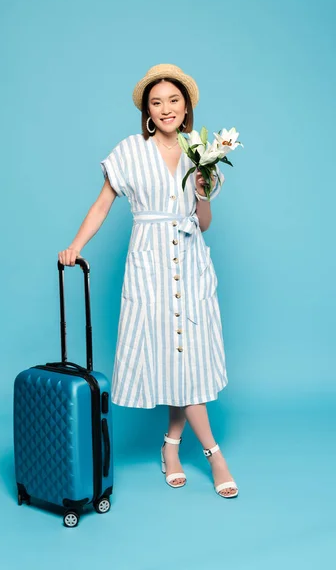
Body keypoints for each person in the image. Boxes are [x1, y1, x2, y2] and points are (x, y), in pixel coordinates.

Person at [58, 63, 238, 498]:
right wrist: (75, 245)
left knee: (187, 359)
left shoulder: (201, 151)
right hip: (150, 266)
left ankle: (172, 446)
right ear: (146, 111)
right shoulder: (128, 151)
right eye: (156, 103)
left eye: (173, 100)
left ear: (186, 105)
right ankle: (214, 453)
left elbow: (205, 221)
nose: (166, 108)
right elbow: (102, 205)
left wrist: (200, 190)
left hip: (190, 262)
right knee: (173, 357)